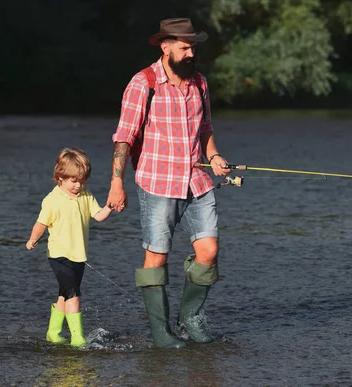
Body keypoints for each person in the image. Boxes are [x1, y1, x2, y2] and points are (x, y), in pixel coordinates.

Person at [107, 18, 232, 349]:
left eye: (193, 47)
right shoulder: (142, 84)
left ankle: (189, 320)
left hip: (198, 181)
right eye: (185, 47)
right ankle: (161, 333)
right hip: (158, 182)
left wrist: (215, 156)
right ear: (166, 47)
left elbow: (205, 129)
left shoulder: (200, 83)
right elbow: (124, 138)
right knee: (157, 258)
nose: (191, 53)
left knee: (209, 251)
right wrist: (116, 183)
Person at [27, 147, 113, 347]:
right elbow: (41, 223)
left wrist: (109, 206)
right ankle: (77, 338)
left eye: (82, 180)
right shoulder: (52, 200)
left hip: (79, 256)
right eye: (74, 181)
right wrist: (33, 238)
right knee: (74, 295)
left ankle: (53, 332)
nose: (78, 185)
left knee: (64, 294)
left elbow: (98, 216)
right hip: (59, 256)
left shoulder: (86, 195)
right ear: (60, 178)